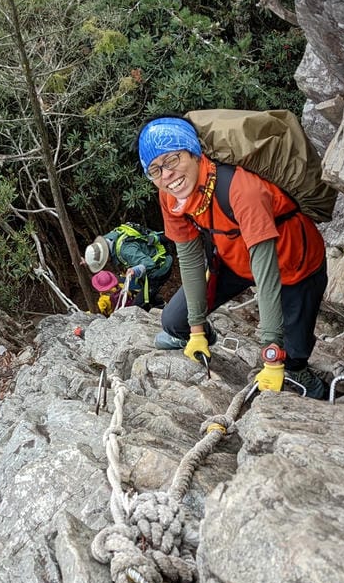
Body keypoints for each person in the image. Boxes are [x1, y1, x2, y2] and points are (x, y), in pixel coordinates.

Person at [137, 116, 328, 399]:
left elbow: (267, 273)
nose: (167, 175)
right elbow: (190, 259)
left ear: (194, 152)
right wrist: (197, 329)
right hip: (235, 260)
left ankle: (301, 372)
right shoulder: (171, 196)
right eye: (155, 169)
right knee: (175, 322)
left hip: (293, 264)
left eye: (173, 159)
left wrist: (272, 353)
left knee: (292, 357)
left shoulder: (242, 189)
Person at [84, 224, 172, 311]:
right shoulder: (109, 238)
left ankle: (161, 308)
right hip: (146, 265)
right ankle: (157, 302)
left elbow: (149, 263)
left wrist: (135, 270)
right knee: (122, 281)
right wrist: (87, 261)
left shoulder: (126, 251)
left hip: (159, 268)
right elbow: (96, 253)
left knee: (136, 306)